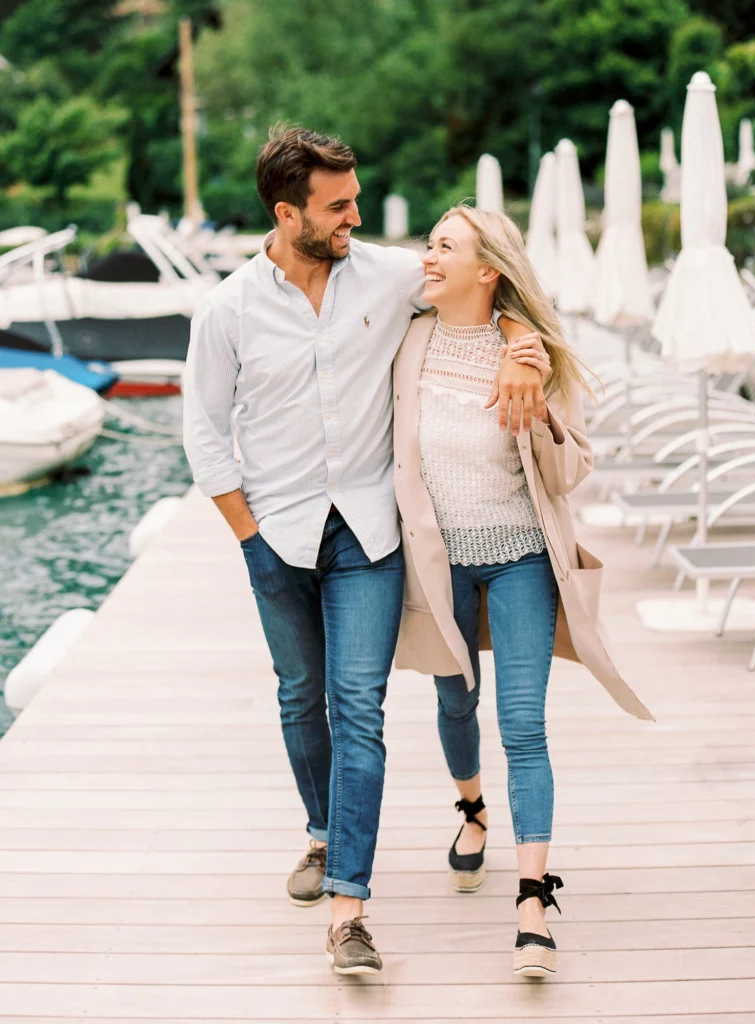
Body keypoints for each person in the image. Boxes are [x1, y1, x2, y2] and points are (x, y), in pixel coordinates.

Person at [182, 126, 545, 976]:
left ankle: (349, 906)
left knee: (358, 709)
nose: (354, 217)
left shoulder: (383, 274)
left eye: (353, 201)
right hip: (275, 532)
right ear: (288, 212)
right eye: (337, 206)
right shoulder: (228, 309)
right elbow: (203, 429)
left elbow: (491, 283)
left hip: (372, 536)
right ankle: (321, 828)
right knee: (299, 697)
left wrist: (525, 346)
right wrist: (249, 537)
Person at [392, 204, 653, 978]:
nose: (427, 256)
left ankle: (533, 900)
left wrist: (533, 402)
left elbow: (572, 473)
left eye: (446, 246)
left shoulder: (530, 356)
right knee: (452, 702)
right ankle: (471, 810)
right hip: (438, 565)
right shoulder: (406, 339)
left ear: (488, 270)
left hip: (520, 561)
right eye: (428, 242)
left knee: (524, 726)